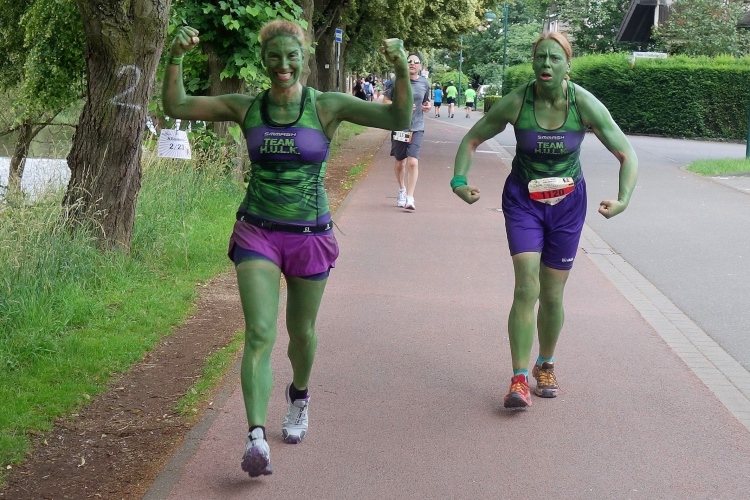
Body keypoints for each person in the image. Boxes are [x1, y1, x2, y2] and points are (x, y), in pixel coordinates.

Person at [163, 21, 412, 476]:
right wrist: (176, 56)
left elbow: (397, 119)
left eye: (291, 56)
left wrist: (400, 69)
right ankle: (256, 437)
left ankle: (299, 396)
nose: (283, 65)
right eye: (274, 56)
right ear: (263, 60)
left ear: (304, 59)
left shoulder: (327, 106)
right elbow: (176, 104)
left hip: (309, 235)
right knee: (259, 333)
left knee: (302, 333)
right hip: (258, 231)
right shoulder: (246, 107)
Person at [451, 32, 638, 410]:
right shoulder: (517, 102)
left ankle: (545, 364)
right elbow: (471, 138)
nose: (546, 64)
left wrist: (623, 200)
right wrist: (459, 181)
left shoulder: (583, 103)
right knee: (526, 285)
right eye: (540, 57)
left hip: (568, 206)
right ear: (533, 62)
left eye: (555, 58)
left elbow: (626, 153)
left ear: (568, 65)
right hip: (523, 202)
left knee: (552, 294)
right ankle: (519, 378)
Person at [383, 52, 431, 210]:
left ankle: (410, 197)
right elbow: (385, 101)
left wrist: (427, 106)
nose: (412, 63)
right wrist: (400, 107)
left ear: (420, 66)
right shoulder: (397, 81)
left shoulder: (424, 83)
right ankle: (402, 190)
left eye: (416, 62)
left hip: (417, 127)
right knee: (400, 163)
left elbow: (426, 101)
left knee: (413, 162)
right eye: (409, 61)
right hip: (400, 127)